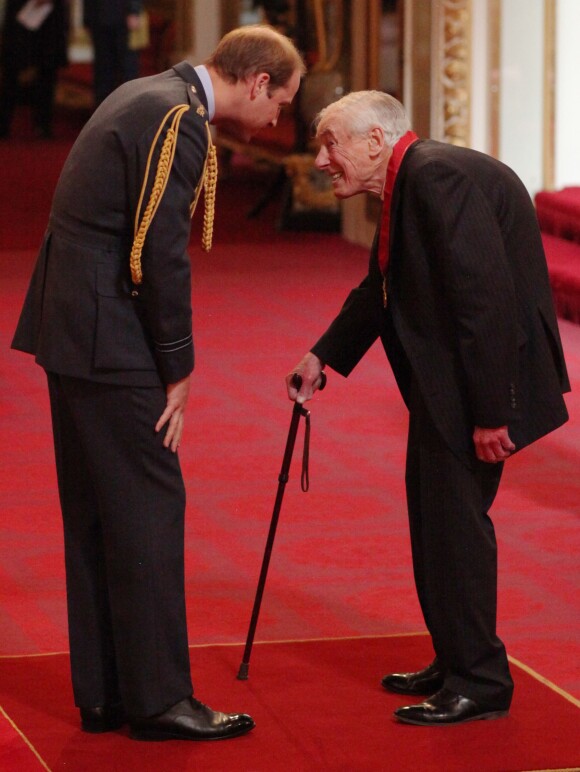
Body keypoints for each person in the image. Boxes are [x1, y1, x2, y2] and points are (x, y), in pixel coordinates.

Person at [12, 24, 304, 742]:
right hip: (110, 337)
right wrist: (179, 366)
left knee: (97, 512)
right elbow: (158, 255)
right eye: (284, 102)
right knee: (146, 509)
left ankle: (108, 692)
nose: (278, 121)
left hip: (72, 325)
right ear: (258, 81)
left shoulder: (151, 93)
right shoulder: (180, 119)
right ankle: (159, 700)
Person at [286, 90, 570, 727]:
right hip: (452, 384)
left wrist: (493, 412)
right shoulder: (411, 179)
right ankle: (454, 658)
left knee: (457, 532)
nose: (322, 159)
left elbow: (484, 300)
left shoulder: (434, 177)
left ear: (375, 142)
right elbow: (380, 286)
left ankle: (481, 680)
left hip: (478, 390)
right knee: (435, 523)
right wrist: (322, 356)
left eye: (331, 143)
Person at [0, 0, 69, 138]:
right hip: (20, 18)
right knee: (12, 72)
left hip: (50, 21)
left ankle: (43, 124)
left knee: (47, 73)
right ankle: (3, 124)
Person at [83, 0, 143, 107]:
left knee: (127, 70)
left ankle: (129, 110)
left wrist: (134, 10)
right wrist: (87, 17)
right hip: (98, 17)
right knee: (102, 71)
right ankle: (102, 113)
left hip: (123, 17)